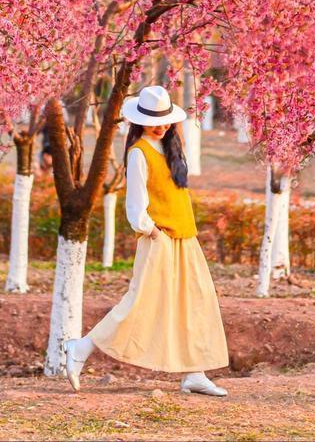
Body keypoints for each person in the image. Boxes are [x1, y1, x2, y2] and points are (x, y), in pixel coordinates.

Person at [64, 84, 229, 396]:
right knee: (140, 303)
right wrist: (153, 232)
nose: (162, 126)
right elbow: (135, 207)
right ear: (140, 121)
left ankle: (194, 372)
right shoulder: (139, 152)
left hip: (185, 238)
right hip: (159, 239)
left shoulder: (170, 147)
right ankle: (81, 348)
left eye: (165, 120)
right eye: (155, 122)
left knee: (194, 303)